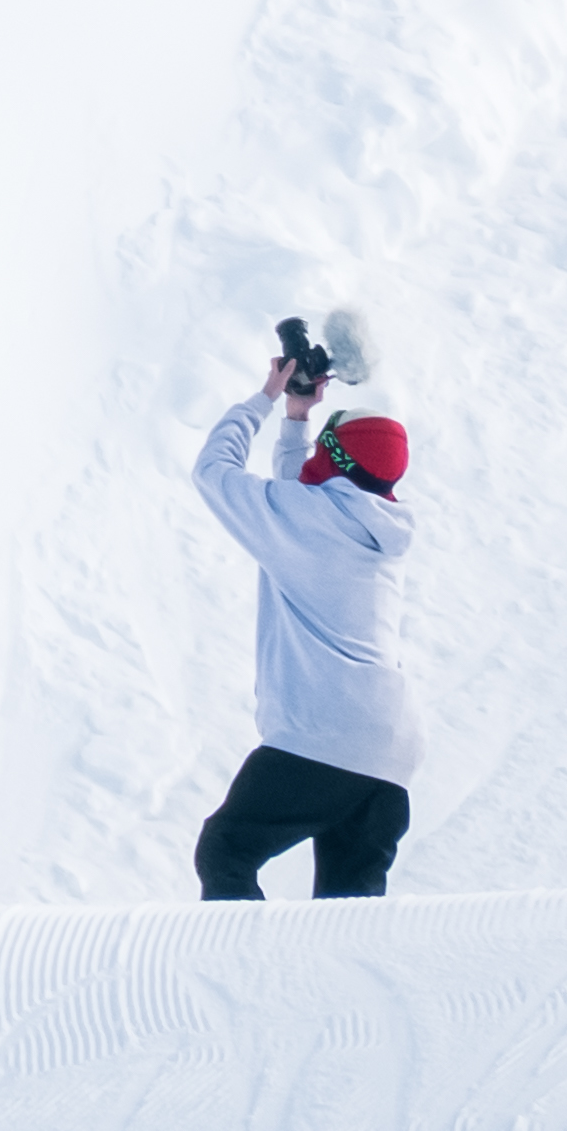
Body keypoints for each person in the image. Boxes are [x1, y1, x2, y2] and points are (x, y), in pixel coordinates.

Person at [185, 320, 420, 901]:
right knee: (347, 905)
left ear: (334, 458)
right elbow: (304, 496)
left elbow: (213, 471)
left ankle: (241, 981)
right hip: (391, 754)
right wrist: (298, 420)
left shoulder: (304, 520)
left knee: (226, 850)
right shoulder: (376, 528)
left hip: (323, 732)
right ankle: (334, 991)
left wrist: (267, 399)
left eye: (323, 446)